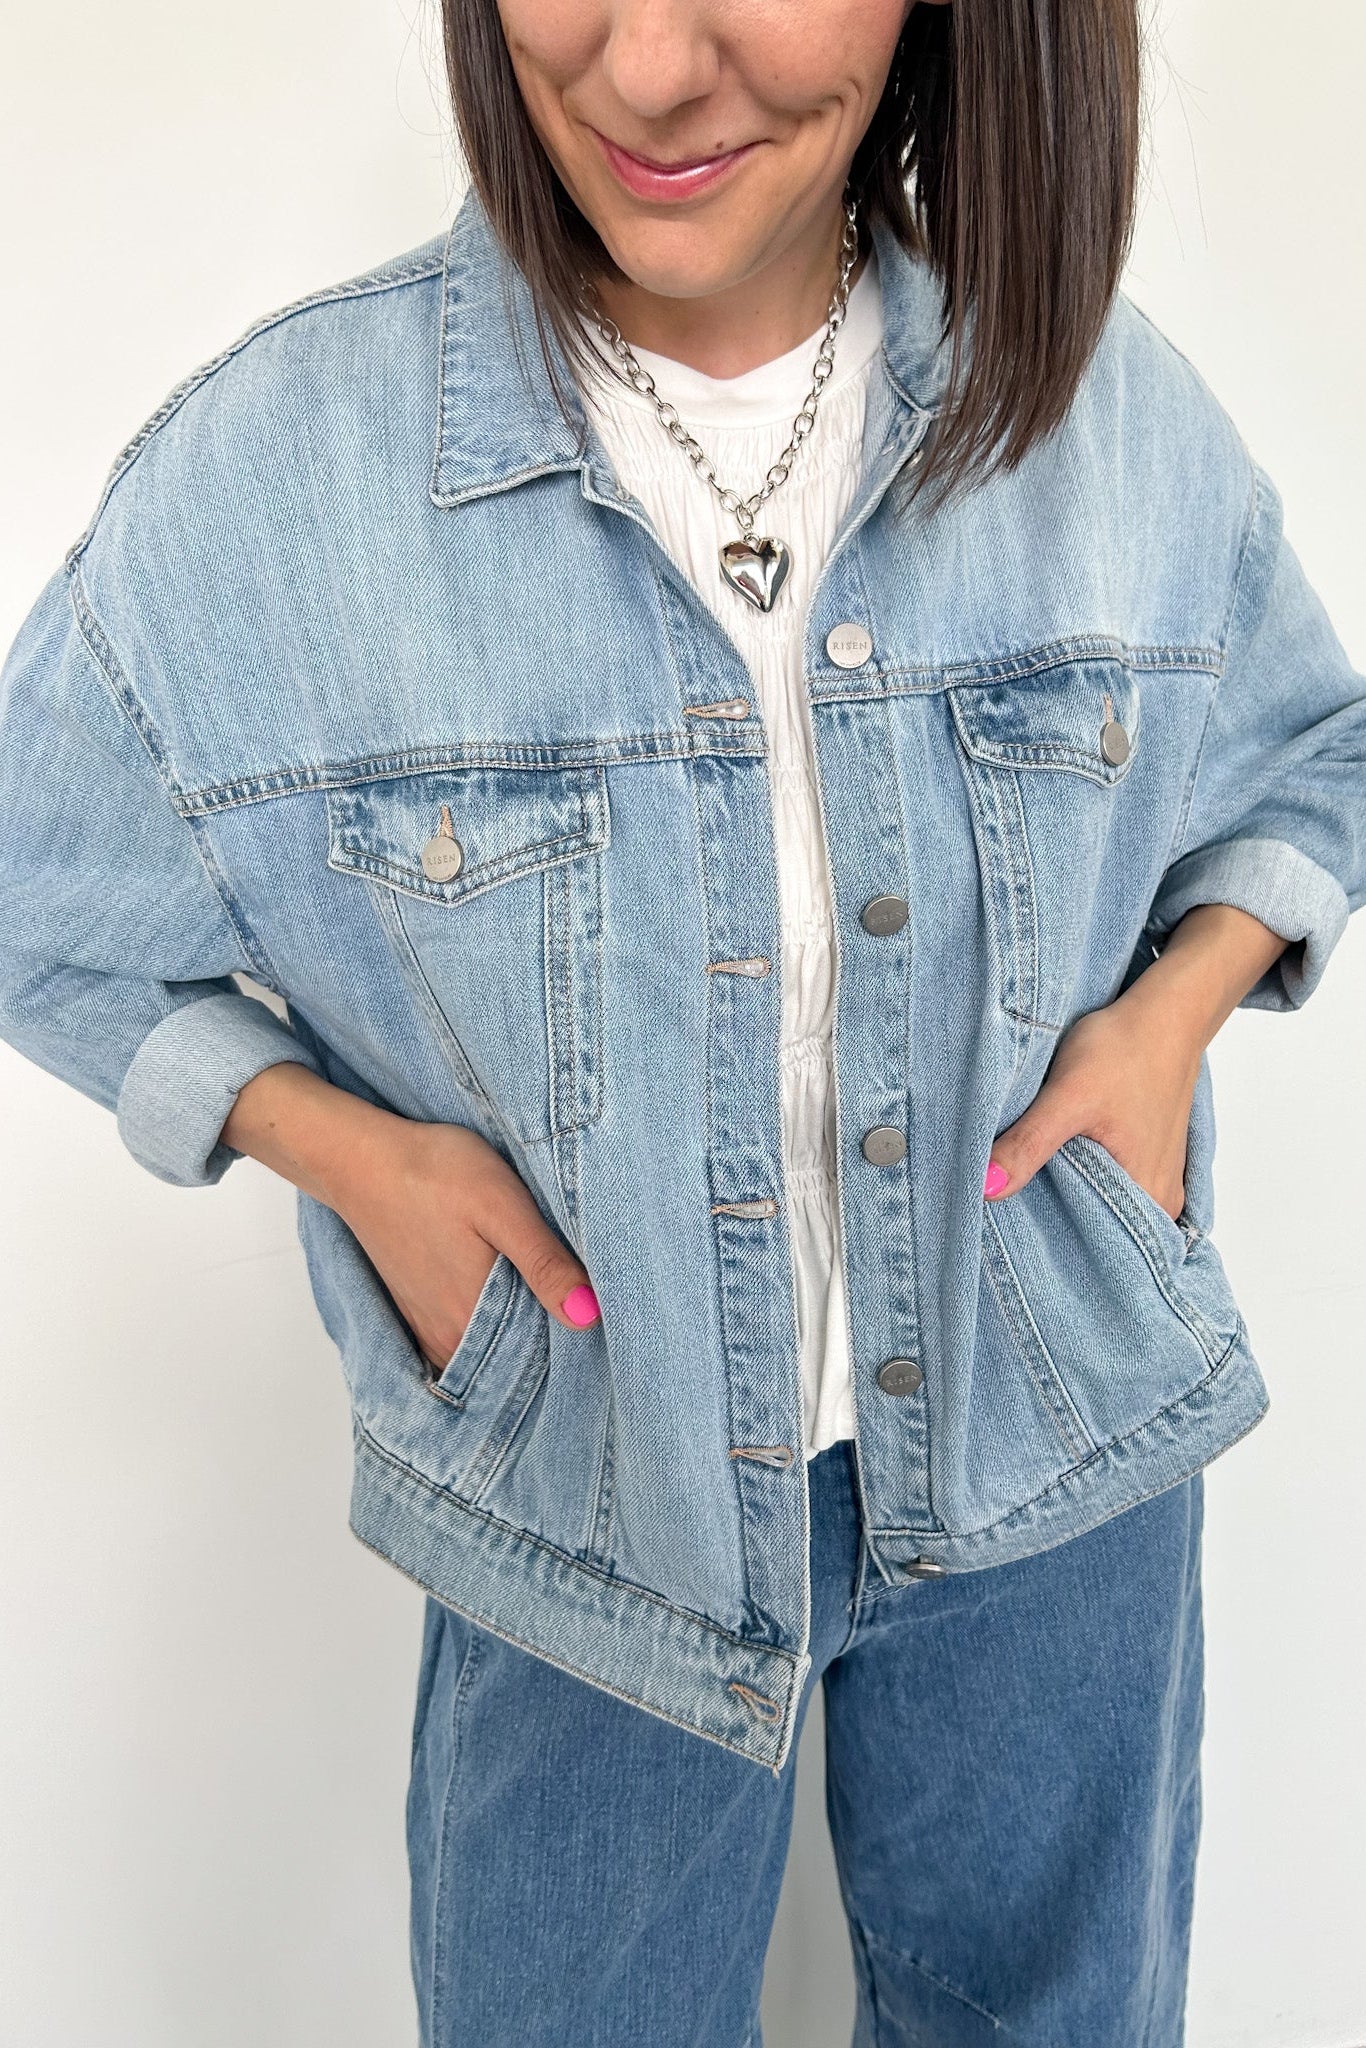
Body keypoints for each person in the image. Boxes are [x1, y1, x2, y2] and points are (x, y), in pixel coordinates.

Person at [2, 0, 1362, 2040]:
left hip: (1047, 1434)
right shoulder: (278, 481)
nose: (645, 70)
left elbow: (1304, 766)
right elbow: (40, 878)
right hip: (585, 1488)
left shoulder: (1088, 411)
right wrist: (338, 1144)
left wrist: (1175, 1008)